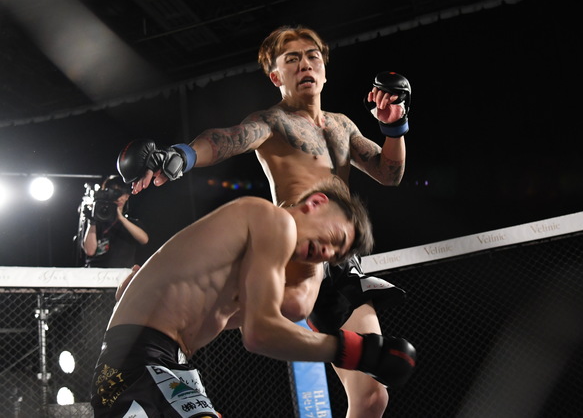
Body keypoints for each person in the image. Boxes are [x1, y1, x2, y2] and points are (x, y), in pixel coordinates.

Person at [118, 25, 412, 417]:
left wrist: (394, 125)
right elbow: (228, 138)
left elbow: (390, 173)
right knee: (237, 314)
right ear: (276, 76)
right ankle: (146, 307)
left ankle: (145, 302)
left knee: (373, 397)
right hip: (289, 250)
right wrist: (182, 156)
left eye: (312, 56)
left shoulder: (343, 126)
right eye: (292, 59)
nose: (305, 64)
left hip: (339, 262)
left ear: (325, 69)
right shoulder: (273, 122)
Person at [90, 179, 415, 417]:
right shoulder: (272, 220)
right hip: (143, 362)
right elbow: (261, 333)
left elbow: (289, 311)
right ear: (316, 202)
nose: (328, 253)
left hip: (158, 366)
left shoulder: (241, 273)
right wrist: (361, 353)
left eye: (337, 255)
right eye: (336, 238)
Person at [82, 175, 149, 268]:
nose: (117, 197)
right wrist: (92, 221)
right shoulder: (97, 221)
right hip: (96, 272)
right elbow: (90, 251)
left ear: (127, 196)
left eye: (120, 193)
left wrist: (121, 218)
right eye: (112, 192)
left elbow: (144, 239)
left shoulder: (132, 223)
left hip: (121, 273)